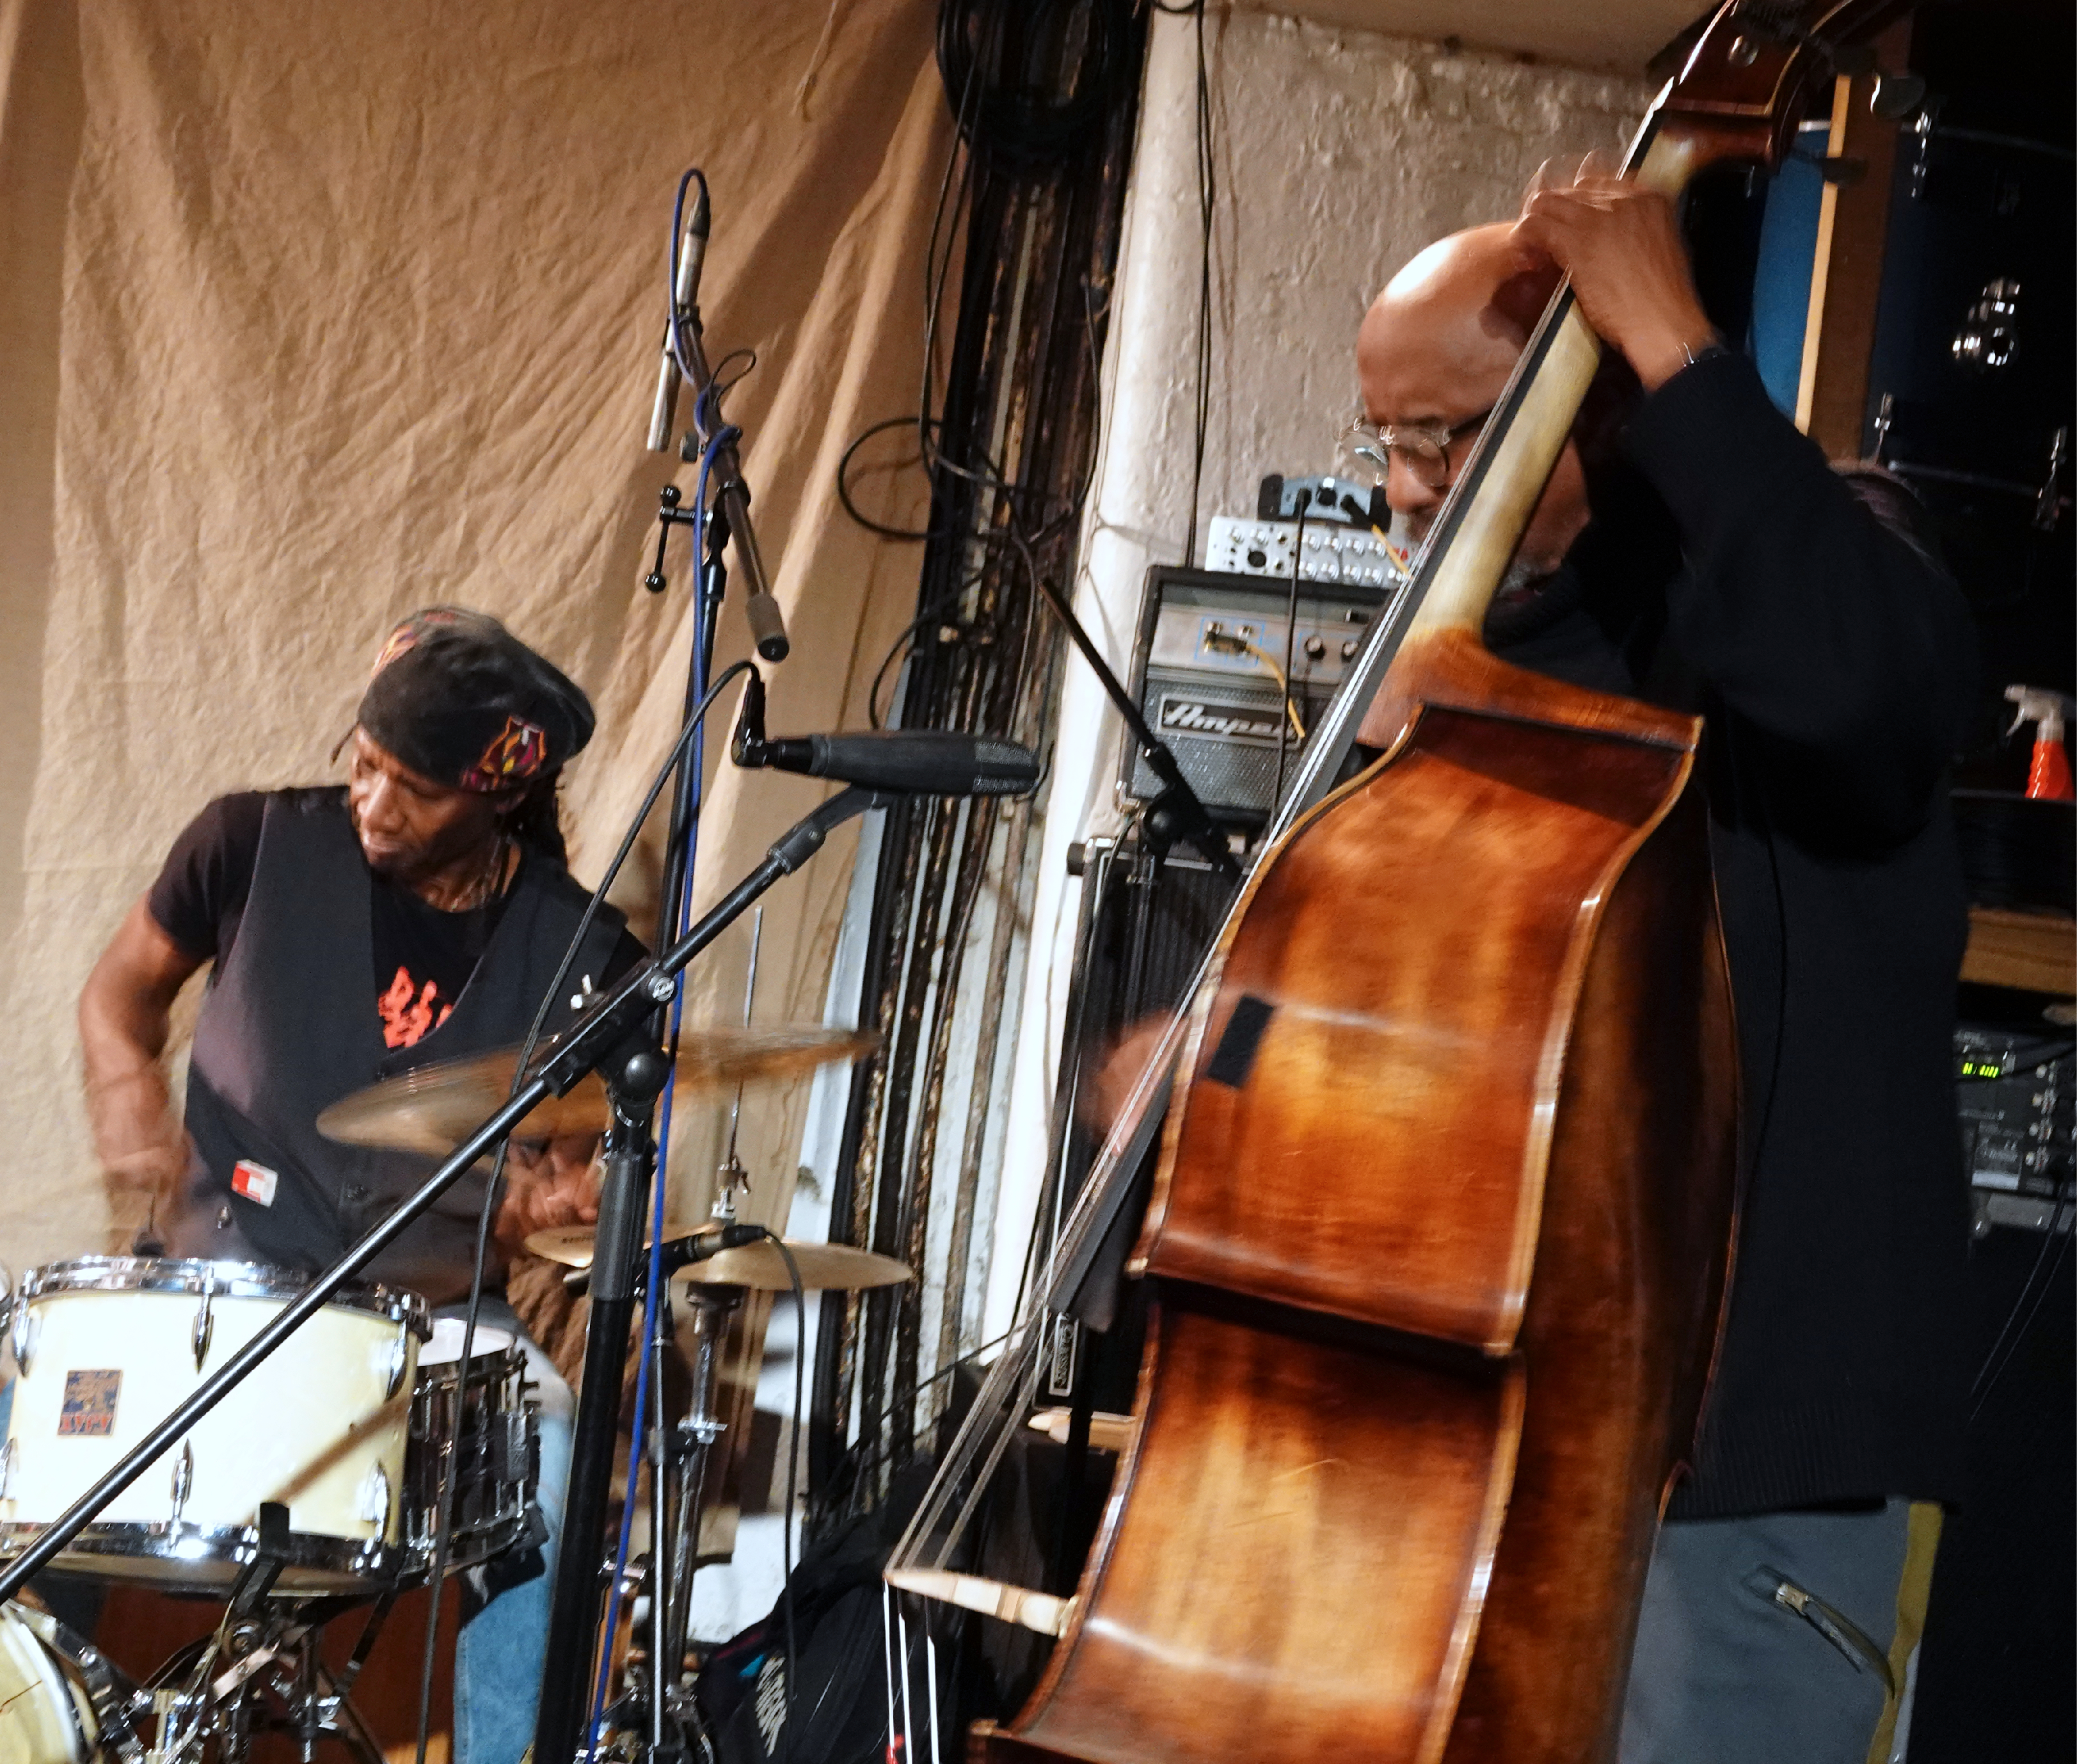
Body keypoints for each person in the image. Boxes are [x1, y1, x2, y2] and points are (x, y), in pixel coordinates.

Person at [1344, 164, 1976, 1763]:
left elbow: (1868, 695)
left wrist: (1675, 339)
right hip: (1491, 1458)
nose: (1414, 488)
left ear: (1603, 408)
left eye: (1453, 434)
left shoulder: (1808, 563)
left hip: (1738, 1486)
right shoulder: (1484, 660)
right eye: (1387, 442)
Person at [77, 605, 644, 1764]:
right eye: (365, 762)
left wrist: (552, 1197)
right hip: (217, 1284)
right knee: (52, 1434)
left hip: (435, 1326)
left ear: (493, 794)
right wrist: (124, 1081)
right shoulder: (248, 842)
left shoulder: (578, 953)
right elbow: (118, 993)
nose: (373, 803)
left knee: (547, 1461)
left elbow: (583, 1160)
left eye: (414, 787)